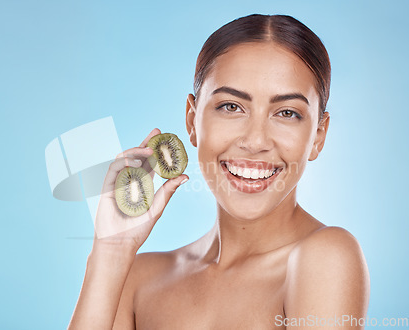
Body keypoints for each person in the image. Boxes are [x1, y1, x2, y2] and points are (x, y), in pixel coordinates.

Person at [68, 14, 370, 329]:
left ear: (318, 136)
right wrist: (110, 253)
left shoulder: (325, 258)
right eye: (231, 106)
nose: (255, 141)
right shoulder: (137, 279)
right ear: (192, 119)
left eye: (287, 113)